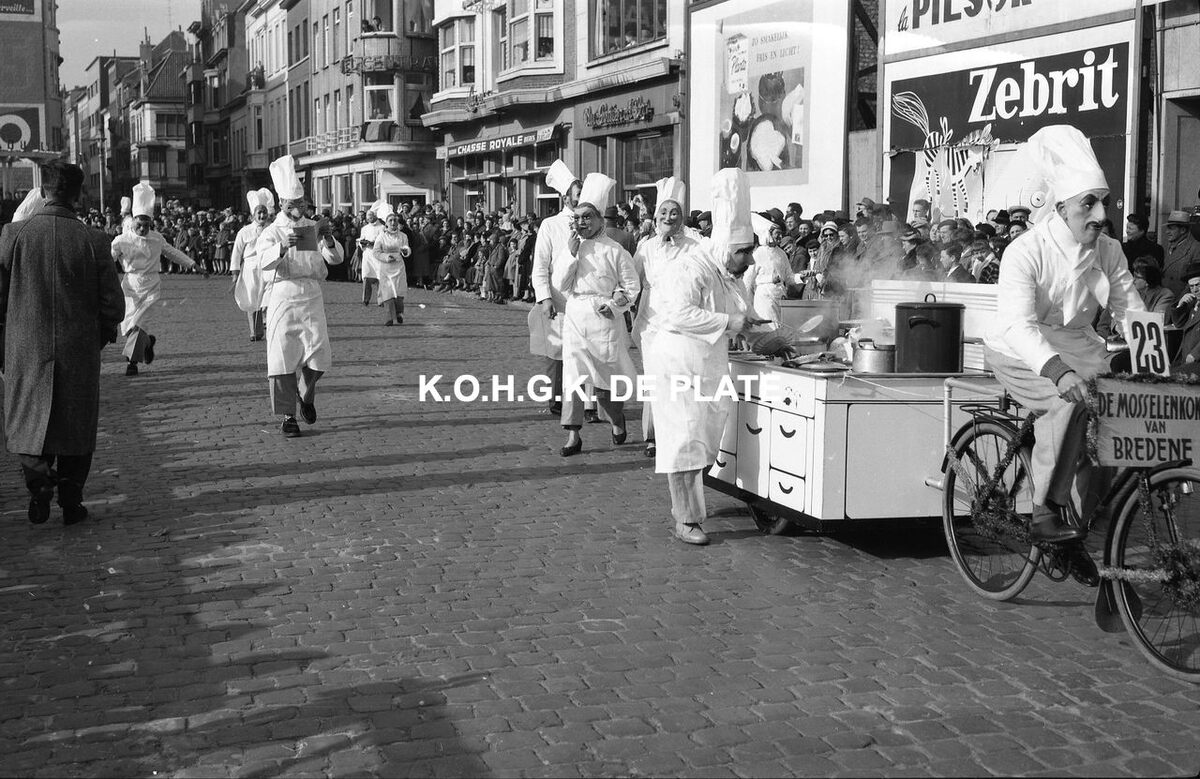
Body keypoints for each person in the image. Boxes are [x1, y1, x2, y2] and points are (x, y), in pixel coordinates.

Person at [983, 125, 1144, 586]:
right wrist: (1057, 371)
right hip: (1019, 349)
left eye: (1103, 203)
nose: (1100, 215)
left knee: (1111, 422)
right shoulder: (1025, 251)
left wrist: (1156, 364)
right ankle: (1045, 511)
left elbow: (1131, 310)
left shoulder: (1109, 250)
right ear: (1060, 209)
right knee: (1068, 399)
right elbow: (1017, 325)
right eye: (1087, 204)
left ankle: (1077, 527)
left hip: (1078, 344)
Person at [645, 167, 769, 546]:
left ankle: (690, 503)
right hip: (678, 363)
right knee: (684, 441)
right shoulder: (691, 267)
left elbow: (746, 316)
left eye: (749, 251)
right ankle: (687, 519)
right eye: (744, 252)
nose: (749, 260)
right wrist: (731, 322)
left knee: (705, 440)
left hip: (709, 365)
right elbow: (677, 314)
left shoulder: (729, 275)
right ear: (726, 249)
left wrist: (771, 336)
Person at [0, 161, 125, 525]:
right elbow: (114, 307)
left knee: (26, 422)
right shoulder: (94, 240)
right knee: (76, 425)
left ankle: (39, 485)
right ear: (78, 196)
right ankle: (71, 499)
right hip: (79, 349)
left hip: (25, 347)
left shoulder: (12, 236)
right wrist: (96, 338)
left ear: (43, 192)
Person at [254, 155, 345, 438]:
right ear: (282, 204)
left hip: (312, 295)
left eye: (302, 203)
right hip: (283, 295)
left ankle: (305, 394)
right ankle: (288, 416)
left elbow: (336, 259)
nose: (297, 209)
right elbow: (263, 262)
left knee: (318, 353)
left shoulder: (313, 226)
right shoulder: (272, 232)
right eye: (292, 204)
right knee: (283, 356)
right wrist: (282, 247)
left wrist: (328, 239)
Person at [553, 172, 640, 457]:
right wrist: (570, 255)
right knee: (574, 378)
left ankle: (616, 419)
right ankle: (573, 435)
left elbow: (631, 286)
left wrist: (615, 305)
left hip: (603, 320)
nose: (582, 222)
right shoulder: (572, 247)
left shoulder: (616, 251)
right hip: (576, 316)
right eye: (577, 217)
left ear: (600, 219)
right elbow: (561, 284)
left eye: (587, 217)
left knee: (605, 382)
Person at [631, 176, 697, 459]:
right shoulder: (646, 247)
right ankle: (653, 436)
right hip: (652, 322)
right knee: (655, 379)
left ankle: (677, 433)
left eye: (675, 213)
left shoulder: (693, 246)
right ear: (656, 217)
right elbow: (631, 281)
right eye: (664, 212)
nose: (669, 217)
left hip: (682, 322)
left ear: (682, 218)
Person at [110, 182, 200, 376]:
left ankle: (132, 363)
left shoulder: (157, 238)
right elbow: (109, 257)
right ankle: (147, 343)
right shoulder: (122, 240)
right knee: (128, 326)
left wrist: (192, 264)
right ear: (133, 221)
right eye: (139, 225)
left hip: (151, 286)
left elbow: (172, 252)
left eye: (146, 225)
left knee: (139, 324)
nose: (142, 228)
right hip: (130, 287)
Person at [530, 160, 580, 417]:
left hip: (583, 299)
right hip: (558, 299)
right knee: (556, 351)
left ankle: (584, 402)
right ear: (565, 197)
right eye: (578, 193)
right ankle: (556, 398)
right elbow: (540, 265)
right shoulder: (551, 225)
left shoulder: (592, 223)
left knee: (583, 351)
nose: (582, 197)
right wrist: (545, 297)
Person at [231, 188, 275, 342]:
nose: (262, 216)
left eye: (264, 212)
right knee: (252, 298)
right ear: (253, 215)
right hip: (250, 269)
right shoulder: (244, 231)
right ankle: (255, 331)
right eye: (259, 213)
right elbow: (237, 252)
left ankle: (270, 326)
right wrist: (235, 271)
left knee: (268, 297)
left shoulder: (272, 229)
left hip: (269, 266)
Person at [743, 212, 791, 327]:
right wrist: (747, 304)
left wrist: (801, 277)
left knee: (779, 329)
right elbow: (748, 280)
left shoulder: (782, 253)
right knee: (768, 328)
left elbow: (789, 276)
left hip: (780, 297)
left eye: (781, 234)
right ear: (769, 234)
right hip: (764, 298)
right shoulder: (758, 253)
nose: (780, 237)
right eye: (777, 234)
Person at [372, 203, 411, 326]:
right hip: (386, 267)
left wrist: (405, 251)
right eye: (390, 220)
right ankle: (389, 317)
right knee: (388, 293)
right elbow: (376, 252)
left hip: (399, 267)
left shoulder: (403, 236)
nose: (393, 222)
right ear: (386, 223)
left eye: (395, 220)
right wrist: (385, 257)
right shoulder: (381, 237)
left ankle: (399, 313)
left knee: (399, 292)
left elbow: (407, 248)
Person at [1162, 209, 1200, 297]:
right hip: (1165, 297)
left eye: (1171, 228)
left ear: (1183, 230)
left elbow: (1195, 281)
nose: (1167, 232)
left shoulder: (1196, 248)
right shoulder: (1169, 245)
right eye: (1167, 228)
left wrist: (1180, 301)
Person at [1171, 264, 1200, 372]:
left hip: (1195, 360)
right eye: (1191, 286)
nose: (1195, 290)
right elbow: (1178, 323)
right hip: (1185, 359)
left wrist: (1195, 354)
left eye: (1198, 285)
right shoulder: (1193, 304)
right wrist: (1180, 305)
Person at [358, 201, 384, 306]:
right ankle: (365, 299)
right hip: (367, 256)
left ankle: (381, 300)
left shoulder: (381, 228)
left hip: (377, 256)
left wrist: (373, 243)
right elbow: (361, 239)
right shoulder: (364, 228)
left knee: (380, 278)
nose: (369, 218)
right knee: (366, 277)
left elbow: (382, 241)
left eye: (371, 215)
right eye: (368, 216)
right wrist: (362, 243)